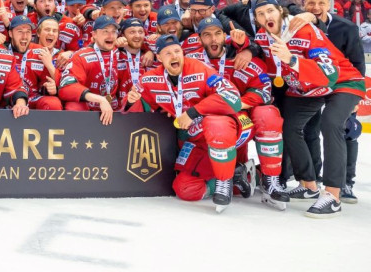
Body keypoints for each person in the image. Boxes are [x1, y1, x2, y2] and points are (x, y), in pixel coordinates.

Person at [252, 0, 364, 218]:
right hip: (306, 88)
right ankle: (309, 184)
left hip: (341, 81)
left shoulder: (303, 30)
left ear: (281, 11)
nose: (266, 17)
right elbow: (268, 64)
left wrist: (292, 60)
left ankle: (332, 194)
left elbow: (328, 74)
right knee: (289, 127)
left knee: (330, 123)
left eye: (270, 11)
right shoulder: (263, 36)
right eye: (261, 14)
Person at [126, 34, 243, 213]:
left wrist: (193, 112)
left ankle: (224, 181)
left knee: (217, 125)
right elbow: (136, 109)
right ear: (158, 58)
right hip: (193, 142)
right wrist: (130, 100)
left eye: (177, 51)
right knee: (185, 189)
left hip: (222, 129)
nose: (174, 56)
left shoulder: (200, 69)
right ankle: (234, 175)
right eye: (167, 53)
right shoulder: (149, 79)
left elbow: (232, 98)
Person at [197, 17, 289, 210]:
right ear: (199, 39)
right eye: (207, 35)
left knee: (268, 115)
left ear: (225, 36)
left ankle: (271, 180)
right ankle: (232, 176)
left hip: (240, 118)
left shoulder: (244, 59)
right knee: (216, 124)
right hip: (205, 122)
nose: (213, 39)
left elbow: (262, 91)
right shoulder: (192, 62)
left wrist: (233, 105)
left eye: (217, 33)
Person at [302, 0, 365, 203]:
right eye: (311, 3)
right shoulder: (300, 27)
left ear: (329, 4)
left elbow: (358, 62)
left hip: (342, 88)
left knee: (346, 130)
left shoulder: (345, 27)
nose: (316, 8)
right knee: (310, 129)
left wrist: (356, 97)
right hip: (314, 86)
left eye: (321, 3)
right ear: (304, 5)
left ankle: (345, 181)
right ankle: (313, 179)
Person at [58, 16, 120, 123]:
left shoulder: (118, 53)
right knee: (74, 107)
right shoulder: (81, 56)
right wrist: (100, 100)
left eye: (114, 32)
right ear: (94, 34)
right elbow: (66, 87)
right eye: (105, 31)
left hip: (112, 107)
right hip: (89, 108)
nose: (110, 36)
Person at [7, 15, 61, 110]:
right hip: (8, 96)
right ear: (10, 33)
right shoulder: (1, 50)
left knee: (53, 103)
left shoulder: (40, 51)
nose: (24, 36)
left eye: (28, 32)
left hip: (32, 98)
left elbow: (45, 82)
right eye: (20, 31)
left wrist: (50, 88)